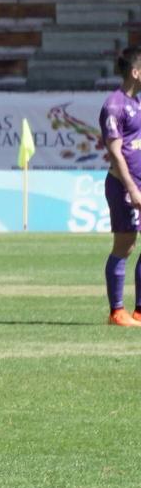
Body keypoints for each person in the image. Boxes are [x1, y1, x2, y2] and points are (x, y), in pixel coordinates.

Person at [100, 46, 141, 326]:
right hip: (124, 187)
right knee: (124, 246)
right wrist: (132, 189)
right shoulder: (113, 105)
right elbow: (115, 153)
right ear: (136, 72)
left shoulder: (136, 103)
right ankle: (117, 311)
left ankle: (139, 310)